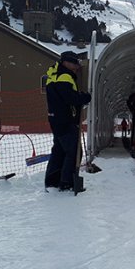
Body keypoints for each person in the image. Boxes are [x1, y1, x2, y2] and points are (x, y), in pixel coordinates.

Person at [44, 51, 91, 192]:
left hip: (55, 118)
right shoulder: (64, 77)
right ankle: (67, 182)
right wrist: (84, 97)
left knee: (58, 151)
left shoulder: (53, 75)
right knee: (73, 152)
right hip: (65, 119)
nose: (77, 67)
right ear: (66, 62)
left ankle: (52, 181)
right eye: (75, 64)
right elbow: (70, 98)